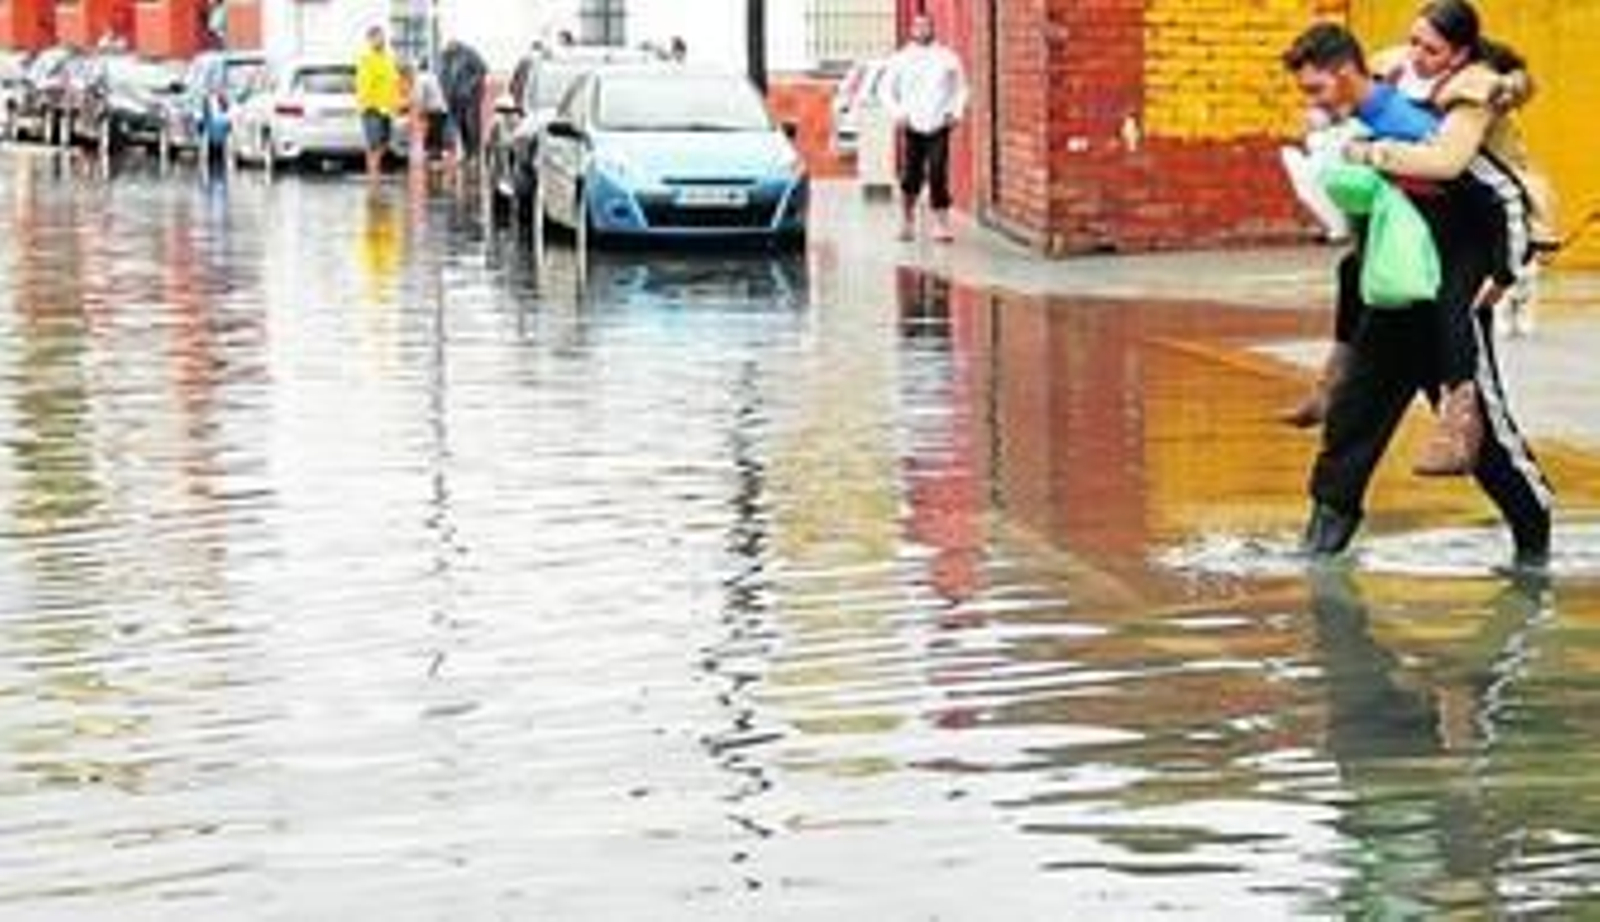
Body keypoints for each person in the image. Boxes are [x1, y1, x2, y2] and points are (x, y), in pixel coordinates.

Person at [1288, 10, 1553, 568]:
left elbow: (1495, 193)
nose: (1310, 101)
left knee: (1484, 442)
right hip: (1398, 283)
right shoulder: (1378, 98)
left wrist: (1506, 271)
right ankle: (1320, 544)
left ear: (1343, 74)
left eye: (1316, 88)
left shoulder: (1440, 115)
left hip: (1455, 280)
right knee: (1352, 417)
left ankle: (1534, 546)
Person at [880, 13, 968, 243]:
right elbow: (885, 90)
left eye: (926, 25)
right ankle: (907, 221)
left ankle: (941, 224)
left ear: (932, 28)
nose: (922, 29)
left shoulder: (948, 57)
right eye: (918, 25)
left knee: (938, 172)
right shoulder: (900, 59)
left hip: (939, 123)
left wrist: (955, 112)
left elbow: (961, 88)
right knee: (912, 175)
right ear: (912, 30)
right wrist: (898, 114)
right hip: (912, 124)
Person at [355, 25, 403, 181]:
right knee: (374, 144)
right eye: (376, 37)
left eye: (381, 37)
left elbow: (394, 82)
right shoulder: (366, 59)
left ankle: (375, 170)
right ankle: (373, 174)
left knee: (385, 142)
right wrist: (369, 104)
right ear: (370, 40)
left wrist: (396, 104)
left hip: (387, 109)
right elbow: (363, 85)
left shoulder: (389, 58)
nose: (380, 40)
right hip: (372, 109)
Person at [439, 39, 488, 167]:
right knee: (460, 127)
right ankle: (468, 153)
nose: (449, 50)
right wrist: (444, 92)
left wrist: (469, 86)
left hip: (470, 98)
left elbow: (482, 69)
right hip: (454, 98)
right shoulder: (445, 57)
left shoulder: (469, 53)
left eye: (451, 47)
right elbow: (442, 75)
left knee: (471, 125)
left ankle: (475, 154)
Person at [412, 61, 449, 168]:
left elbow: (419, 98)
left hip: (434, 111)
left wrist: (418, 114)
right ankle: (437, 161)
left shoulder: (421, 78)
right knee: (437, 137)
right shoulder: (433, 76)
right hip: (442, 110)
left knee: (432, 138)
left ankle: (433, 164)